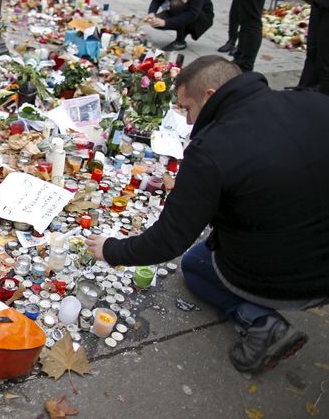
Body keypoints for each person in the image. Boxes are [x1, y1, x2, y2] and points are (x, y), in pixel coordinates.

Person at [86, 55, 329, 374]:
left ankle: (259, 322)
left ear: (211, 96)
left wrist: (111, 249)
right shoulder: (314, 103)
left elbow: (168, 241)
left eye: (187, 109)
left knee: (196, 263)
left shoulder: (212, 149)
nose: (187, 121)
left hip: (293, 276)